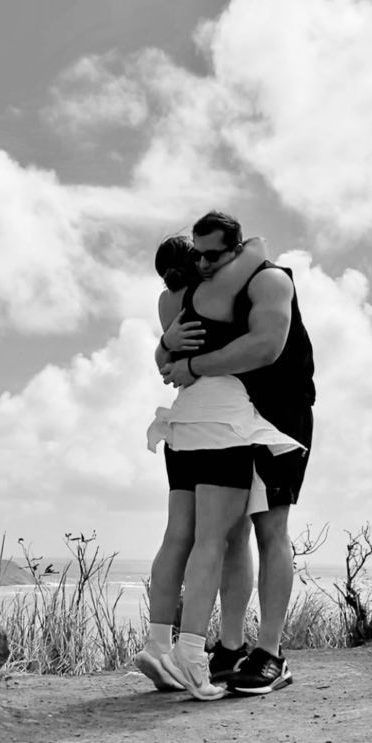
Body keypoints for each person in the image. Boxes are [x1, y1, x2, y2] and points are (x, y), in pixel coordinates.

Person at [135, 231, 303, 699]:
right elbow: (257, 248)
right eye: (202, 256)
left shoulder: (169, 303)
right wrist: (236, 249)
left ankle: (161, 645)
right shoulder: (215, 290)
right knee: (218, 538)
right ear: (197, 262)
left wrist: (163, 346)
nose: (210, 263)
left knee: (180, 536)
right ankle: (193, 654)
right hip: (224, 422)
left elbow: (165, 359)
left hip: (181, 422)